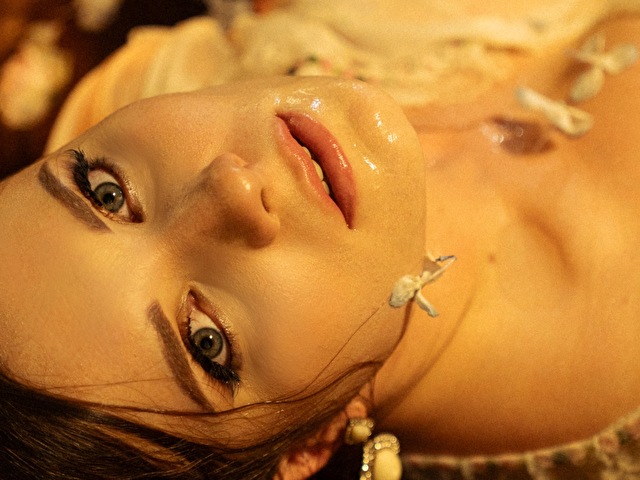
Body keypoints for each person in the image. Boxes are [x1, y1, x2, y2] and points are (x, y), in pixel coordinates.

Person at [4, 0, 640, 478]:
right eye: (206, 340)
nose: (230, 188)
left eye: (104, 192)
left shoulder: (173, 73)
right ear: (306, 447)